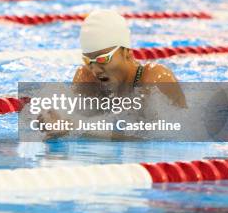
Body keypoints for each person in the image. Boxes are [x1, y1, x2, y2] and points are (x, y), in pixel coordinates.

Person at [38, 9, 185, 139]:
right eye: (88, 60)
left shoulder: (155, 79)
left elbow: (165, 137)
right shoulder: (87, 78)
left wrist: (77, 128)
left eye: (102, 59)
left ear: (127, 52)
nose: (95, 69)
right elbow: (73, 120)